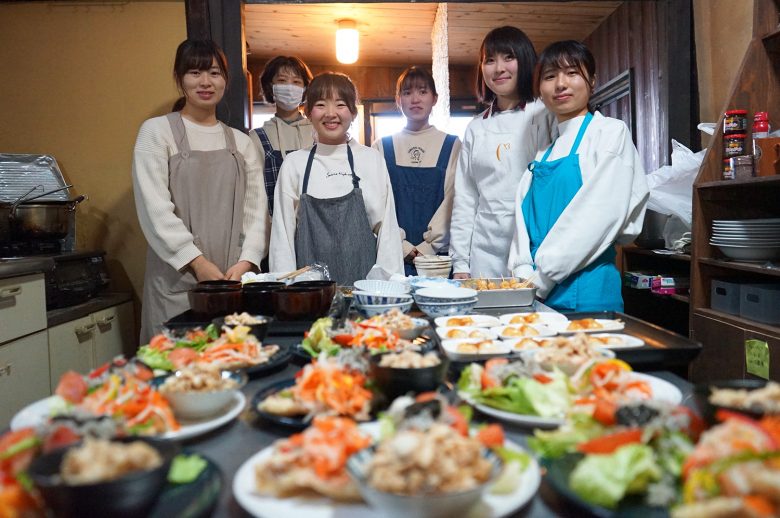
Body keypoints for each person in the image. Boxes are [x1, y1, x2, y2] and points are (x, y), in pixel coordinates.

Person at [132, 39, 267, 343]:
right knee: (172, 371)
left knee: (230, 363)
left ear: (226, 81)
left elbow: (256, 212)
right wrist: (197, 262)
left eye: (215, 73)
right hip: (177, 277)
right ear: (179, 79)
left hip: (231, 279)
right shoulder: (156, 132)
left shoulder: (242, 143)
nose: (205, 82)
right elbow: (155, 209)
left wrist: (247, 261)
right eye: (195, 72)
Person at [507, 40, 649, 312]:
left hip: (588, 293)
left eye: (572, 73)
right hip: (535, 294)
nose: (560, 84)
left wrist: (542, 277)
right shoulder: (542, 154)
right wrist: (524, 272)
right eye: (550, 76)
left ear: (592, 81)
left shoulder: (608, 133)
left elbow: (598, 215)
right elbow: (521, 229)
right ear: (540, 88)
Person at [269, 72, 403, 284]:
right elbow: (282, 237)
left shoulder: (371, 159)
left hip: (363, 291)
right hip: (309, 295)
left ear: (353, 112)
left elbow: (387, 232)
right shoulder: (294, 164)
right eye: (321, 104)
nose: (331, 114)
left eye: (340, 104)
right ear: (308, 112)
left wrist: (385, 292)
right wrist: (284, 290)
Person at [450, 26, 556, 280]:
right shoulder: (476, 127)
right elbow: (466, 198)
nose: (499, 68)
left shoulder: (544, 114)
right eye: (490, 60)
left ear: (526, 60)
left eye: (509, 57)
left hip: (534, 248)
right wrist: (460, 263)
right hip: (484, 252)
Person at [371, 66, 461, 276]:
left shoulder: (453, 145)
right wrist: (402, 246)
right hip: (391, 256)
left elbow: (454, 200)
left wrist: (427, 248)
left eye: (422, 91)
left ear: (435, 98)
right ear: (398, 99)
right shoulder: (381, 146)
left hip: (437, 260)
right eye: (407, 92)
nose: (415, 99)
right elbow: (375, 203)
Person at [249, 56, 314, 217]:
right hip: (274, 227)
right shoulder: (256, 137)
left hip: (316, 227)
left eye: (297, 82)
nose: (289, 87)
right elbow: (254, 194)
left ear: (305, 88)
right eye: (282, 80)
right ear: (270, 87)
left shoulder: (317, 132)